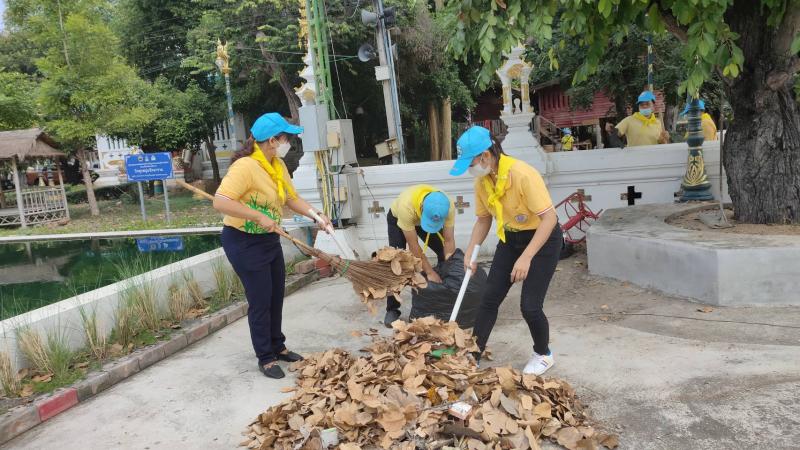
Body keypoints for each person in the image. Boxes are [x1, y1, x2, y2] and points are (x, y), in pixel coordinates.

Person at [213, 112, 332, 379]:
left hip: (268, 239)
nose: (288, 141)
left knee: (276, 295)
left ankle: (278, 346)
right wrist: (257, 215)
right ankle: (265, 357)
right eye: (285, 137)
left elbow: (291, 199)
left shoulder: (277, 165)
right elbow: (220, 201)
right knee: (260, 300)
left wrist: (316, 215)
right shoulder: (245, 167)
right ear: (271, 140)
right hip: (243, 240)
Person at [450, 126, 563, 376]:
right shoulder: (483, 181)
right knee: (489, 299)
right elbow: (483, 220)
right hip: (510, 240)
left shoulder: (522, 174)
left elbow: (549, 219)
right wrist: (470, 251)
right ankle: (474, 354)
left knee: (530, 305)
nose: (470, 169)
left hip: (542, 240)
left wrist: (527, 257)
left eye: (471, 163)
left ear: (486, 156)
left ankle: (543, 354)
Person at [384, 184, 456, 327]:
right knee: (397, 263)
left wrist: (449, 266)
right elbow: (414, 246)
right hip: (398, 219)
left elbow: (448, 240)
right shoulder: (406, 207)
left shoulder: (448, 207)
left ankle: (442, 295)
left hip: (421, 217)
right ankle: (392, 309)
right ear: (422, 207)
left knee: (444, 252)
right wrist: (429, 272)